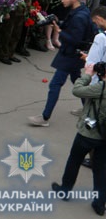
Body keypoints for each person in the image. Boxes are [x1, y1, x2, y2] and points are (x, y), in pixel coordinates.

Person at [29, 0, 94, 127]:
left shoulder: (79, 17)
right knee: (77, 80)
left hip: (70, 55)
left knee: (55, 84)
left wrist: (59, 31)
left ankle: (45, 117)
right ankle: (88, 110)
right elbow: (72, 27)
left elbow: (75, 39)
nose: (62, 1)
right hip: (73, 55)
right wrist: (58, 23)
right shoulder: (81, 10)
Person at [51, 61, 106, 215]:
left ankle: (65, 190)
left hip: (88, 133)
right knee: (100, 169)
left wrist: (87, 75)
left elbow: (77, 90)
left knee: (74, 160)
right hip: (105, 137)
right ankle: (99, 204)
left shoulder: (100, 88)